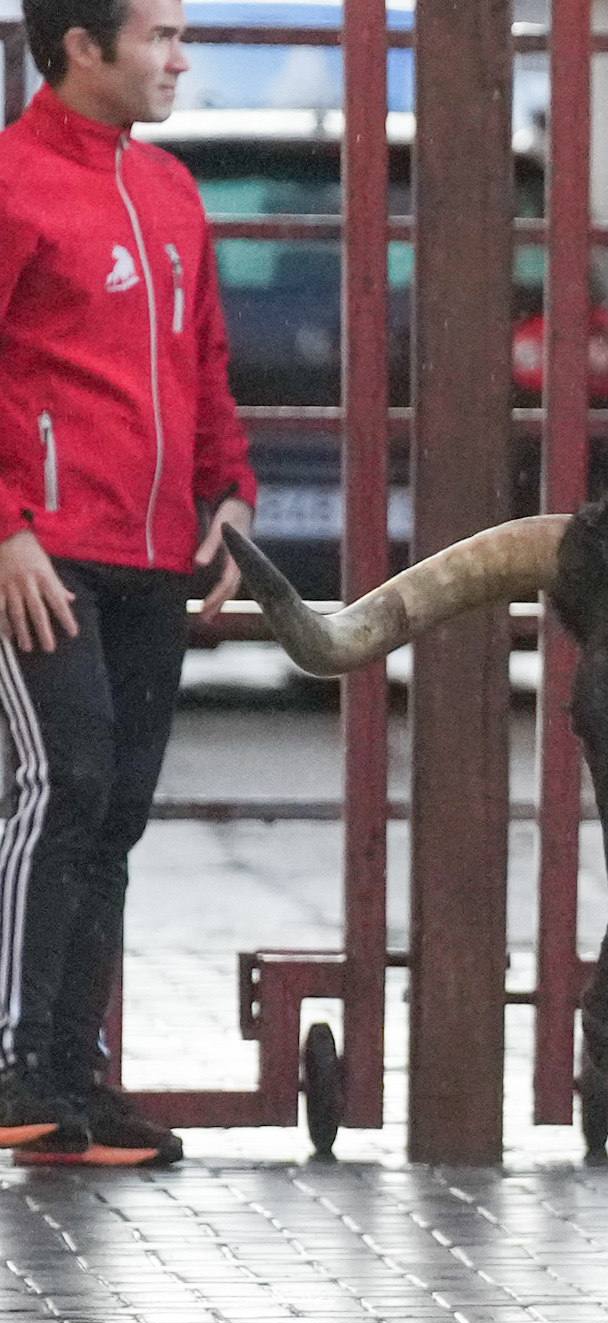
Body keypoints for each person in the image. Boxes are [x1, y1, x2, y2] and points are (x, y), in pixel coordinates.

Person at [0, 0, 255, 1167]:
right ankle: (15, 1066)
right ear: (80, 49)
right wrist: (6, 528)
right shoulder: (8, 185)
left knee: (115, 811)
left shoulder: (171, 195)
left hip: (154, 555)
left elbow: (202, 359)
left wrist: (230, 493)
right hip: (37, 555)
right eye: (158, 36)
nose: (181, 59)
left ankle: (72, 1087)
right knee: (63, 780)